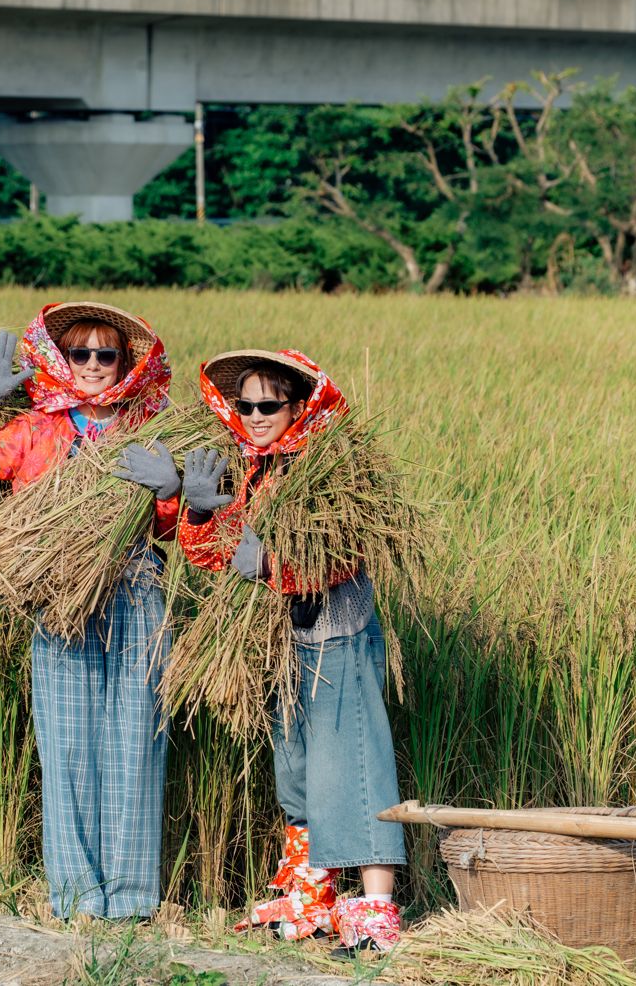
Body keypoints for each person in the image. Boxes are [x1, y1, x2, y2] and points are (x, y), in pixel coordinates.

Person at [0, 302, 180, 921]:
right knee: (68, 748)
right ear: (61, 359)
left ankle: (130, 899)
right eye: (82, 354)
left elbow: (167, 529)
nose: (95, 366)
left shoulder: (147, 432)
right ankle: (76, 896)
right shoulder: (35, 430)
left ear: (126, 364)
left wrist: (171, 492)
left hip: (135, 592)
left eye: (108, 355)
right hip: (58, 602)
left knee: (136, 743)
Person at [169, 349, 405, 949]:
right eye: (244, 405)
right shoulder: (250, 468)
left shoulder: (328, 470)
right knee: (295, 766)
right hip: (278, 642)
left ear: (299, 406)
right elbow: (212, 554)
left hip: (336, 634)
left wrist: (271, 563)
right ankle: (310, 891)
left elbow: (344, 552)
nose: (254, 415)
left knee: (352, 760)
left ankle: (377, 907)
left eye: (268, 404)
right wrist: (198, 510)